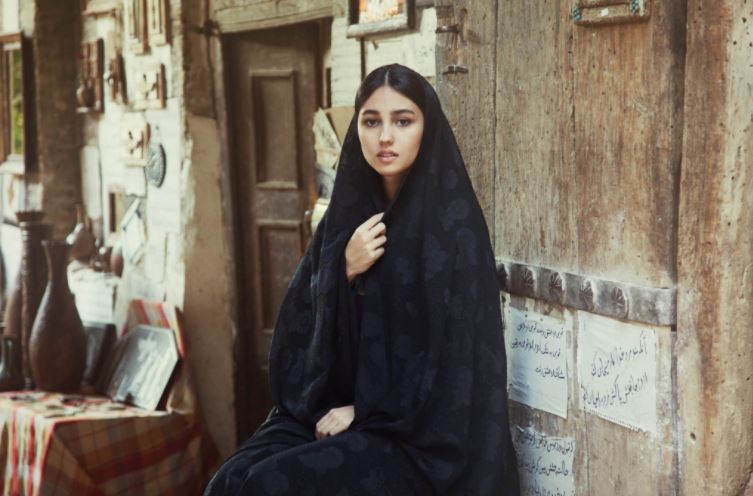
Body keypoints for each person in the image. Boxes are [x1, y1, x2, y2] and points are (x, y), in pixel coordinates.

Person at [203, 63, 520, 495]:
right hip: (336, 407)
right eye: (371, 122)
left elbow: (454, 365)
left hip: (421, 438)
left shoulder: (453, 227)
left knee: (269, 485)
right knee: (229, 480)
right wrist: (343, 271)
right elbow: (295, 336)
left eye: (402, 121)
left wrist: (366, 410)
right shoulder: (343, 219)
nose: (385, 137)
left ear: (427, 128)